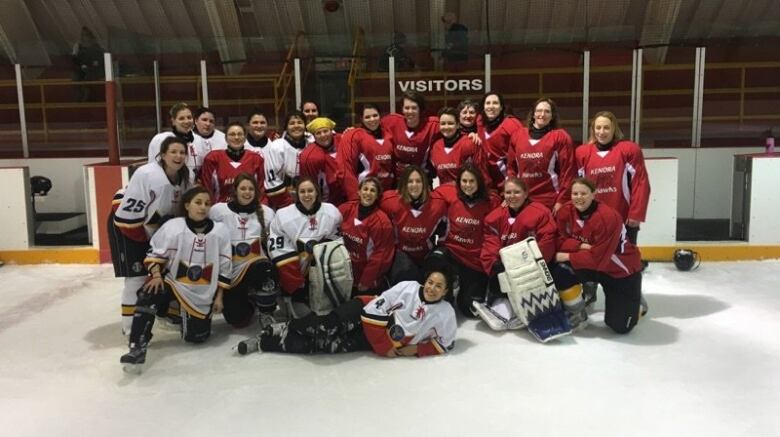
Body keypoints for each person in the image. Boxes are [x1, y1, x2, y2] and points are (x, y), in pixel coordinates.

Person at [120, 186, 233, 370]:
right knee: (148, 293)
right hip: (174, 284)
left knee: (196, 338)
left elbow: (225, 265)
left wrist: (219, 297)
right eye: (198, 202)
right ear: (187, 205)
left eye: (207, 203)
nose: (203, 207)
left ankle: (179, 314)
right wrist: (156, 275)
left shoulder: (220, 231)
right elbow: (155, 254)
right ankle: (137, 346)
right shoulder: (173, 227)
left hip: (203, 294)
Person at [255, 267, 456, 357]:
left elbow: (446, 343)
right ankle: (285, 327)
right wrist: (384, 347)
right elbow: (370, 314)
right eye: (430, 282)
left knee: (322, 345)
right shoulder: (407, 287)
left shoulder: (445, 313)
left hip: (373, 338)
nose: (432, 288)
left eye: (439, 286)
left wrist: (418, 350)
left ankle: (268, 342)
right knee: (325, 327)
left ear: (446, 291)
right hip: (364, 312)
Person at [110, 136, 193, 335]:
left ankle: (166, 312)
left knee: (169, 270)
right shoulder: (147, 175)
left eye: (182, 152)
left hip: (155, 232)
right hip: (129, 228)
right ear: (162, 155)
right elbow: (127, 220)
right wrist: (149, 246)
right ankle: (130, 328)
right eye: (173, 152)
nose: (178, 156)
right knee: (136, 277)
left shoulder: (185, 178)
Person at [554, 178, 645, 334]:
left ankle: (636, 302)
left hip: (619, 270)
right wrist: (580, 245)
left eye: (583, 193)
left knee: (620, 326)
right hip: (591, 261)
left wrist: (566, 256)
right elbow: (558, 239)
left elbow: (598, 261)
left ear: (593, 194)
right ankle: (577, 313)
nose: (578, 197)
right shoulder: (565, 212)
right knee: (558, 271)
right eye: (575, 193)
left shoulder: (608, 217)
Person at [477, 177, 557, 329]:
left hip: (531, 267)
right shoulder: (494, 217)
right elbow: (490, 243)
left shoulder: (541, 213)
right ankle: (503, 308)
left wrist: (528, 262)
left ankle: (527, 308)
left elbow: (547, 241)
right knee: (498, 272)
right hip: (507, 268)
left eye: (516, 192)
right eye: (508, 192)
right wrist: (494, 263)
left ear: (526, 193)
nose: (512, 196)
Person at [209, 174, 279, 329]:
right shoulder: (218, 211)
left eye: (250, 189)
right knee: (237, 320)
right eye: (243, 188)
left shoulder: (266, 213)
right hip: (231, 271)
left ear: (256, 191)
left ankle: (266, 312)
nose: (247, 192)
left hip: (256, 265)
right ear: (235, 190)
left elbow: (274, 243)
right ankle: (252, 299)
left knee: (266, 270)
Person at [267, 177, 342, 317]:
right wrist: (294, 283)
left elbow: (337, 244)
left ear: (316, 192)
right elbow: (279, 251)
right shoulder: (283, 215)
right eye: (302, 191)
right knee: (302, 314)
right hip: (297, 272)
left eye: (310, 191)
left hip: (320, 269)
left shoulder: (331, 212)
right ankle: (289, 294)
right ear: (296, 193)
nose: (306, 195)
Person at [575, 111, 651, 245]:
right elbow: (577, 188)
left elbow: (640, 183)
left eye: (606, 127)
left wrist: (636, 214)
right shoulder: (582, 153)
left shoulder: (629, 150)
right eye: (598, 128)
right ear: (593, 130)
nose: (602, 132)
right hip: (593, 218)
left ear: (614, 129)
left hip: (623, 218)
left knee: (625, 261)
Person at [434, 164, 500, 317]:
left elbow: (495, 232)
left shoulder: (492, 202)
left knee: (470, 311)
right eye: (464, 181)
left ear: (479, 182)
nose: (467, 185)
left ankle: (470, 287)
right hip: (452, 252)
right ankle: (449, 289)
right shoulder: (449, 195)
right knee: (434, 260)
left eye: (472, 181)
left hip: (474, 260)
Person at [380, 165, 447, 284]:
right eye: (410, 181)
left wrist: (440, 250)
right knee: (406, 278)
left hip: (426, 253)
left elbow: (445, 230)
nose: (414, 185)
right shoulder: (390, 201)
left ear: (424, 183)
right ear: (404, 184)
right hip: (401, 253)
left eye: (418, 181)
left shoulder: (438, 204)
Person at [507, 98, 575, 213]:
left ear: (552, 116)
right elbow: (511, 168)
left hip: (549, 200)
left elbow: (568, 172)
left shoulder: (560, 137)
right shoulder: (518, 135)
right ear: (533, 114)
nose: (542, 114)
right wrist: (509, 193)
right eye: (539, 111)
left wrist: (561, 201)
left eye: (547, 111)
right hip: (522, 199)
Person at [338, 178, 394, 295]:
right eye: (365, 189)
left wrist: (366, 281)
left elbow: (381, 255)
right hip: (343, 271)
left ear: (377, 195)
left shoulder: (382, 222)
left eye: (373, 190)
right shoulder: (345, 209)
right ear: (359, 191)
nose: (368, 193)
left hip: (364, 277)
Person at [200, 122, 266, 204]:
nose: (236, 137)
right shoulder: (213, 158)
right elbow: (206, 189)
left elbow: (261, 190)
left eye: (240, 134)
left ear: (245, 138)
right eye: (232, 134)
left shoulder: (256, 159)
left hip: (249, 209)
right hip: (221, 210)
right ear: (226, 138)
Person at [382, 91, 440, 179]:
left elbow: (452, 127)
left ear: (420, 109)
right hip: (398, 179)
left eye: (414, 108)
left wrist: (468, 134)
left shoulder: (432, 124)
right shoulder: (391, 121)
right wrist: (354, 131)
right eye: (407, 108)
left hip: (422, 179)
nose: (410, 111)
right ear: (402, 109)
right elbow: (371, 126)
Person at [338, 104, 396, 192]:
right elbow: (346, 169)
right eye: (367, 117)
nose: (372, 119)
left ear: (380, 116)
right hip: (366, 192)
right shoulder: (355, 136)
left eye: (375, 115)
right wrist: (354, 195)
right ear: (362, 119)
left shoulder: (389, 135)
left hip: (387, 190)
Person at [428, 107, 490, 186]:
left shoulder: (471, 143)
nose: (446, 127)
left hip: (466, 193)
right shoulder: (435, 147)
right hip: (444, 194)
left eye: (450, 123)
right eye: (443, 123)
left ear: (457, 125)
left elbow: (483, 176)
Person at [477, 92, 526, 190]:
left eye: (495, 103)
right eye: (488, 103)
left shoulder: (511, 124)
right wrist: (472, 134)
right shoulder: (480, 122)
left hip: (508, 183)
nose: (491, 106)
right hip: (487, 184)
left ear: (501, 107)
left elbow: (523, 153)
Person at [299, 117, 349, 206]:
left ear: (331, 131)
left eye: (325, 131)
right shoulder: (309, 156)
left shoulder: (343, 141)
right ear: (314, 136)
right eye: (318, 133)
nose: (323, 135)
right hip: (328, 201)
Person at [264, 111, 307, 209]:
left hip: (310, 197)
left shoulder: (311, 143)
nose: (296, 126)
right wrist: (289, 204)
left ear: (305, 125)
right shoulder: (277, 146)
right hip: (285, 200)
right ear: (286, 127)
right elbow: (272, 180)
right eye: (292, 123)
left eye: (300, 122)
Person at [189, 107, 227, 177]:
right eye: (204, 120)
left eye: (211, 121)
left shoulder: (224, 138)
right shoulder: (186, 138)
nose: (208, 124)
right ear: (196, 121)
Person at [71, 26, 103, 101]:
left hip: (92, 69)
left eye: (87, 34)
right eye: (83, 34)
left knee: (87, 80)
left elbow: (97, 59)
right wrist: (81, 65)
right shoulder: (77, 45)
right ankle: (78, 96)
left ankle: (86, 98)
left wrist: (92, 66)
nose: (85, 36)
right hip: (80, 68)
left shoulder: (95, 46)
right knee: (75, 78)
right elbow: (74, 58)